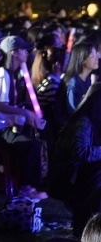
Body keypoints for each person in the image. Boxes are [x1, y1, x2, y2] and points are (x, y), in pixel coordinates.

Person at [0, 35, 43, 191]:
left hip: (6, 126)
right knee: (32, 146)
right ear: (13, 52)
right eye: (23, 50)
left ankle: (30, 186)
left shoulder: (11, 74)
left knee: (34, 141)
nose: (26, 53)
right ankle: (25, 187)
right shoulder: (2, 74)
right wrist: (25, 113)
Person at [49, 84, 101, 237]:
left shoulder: (91, 120)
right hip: (68, 176)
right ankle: (86, 224)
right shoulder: (83, 121)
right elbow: (81, 152)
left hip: (77, 173)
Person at [64, 42, 99, 113]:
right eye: (92, 55)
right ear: (82, 59)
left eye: (96, 54)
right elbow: (74, 112)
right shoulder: (74, 83)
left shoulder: (87, 79)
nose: (97, 58)